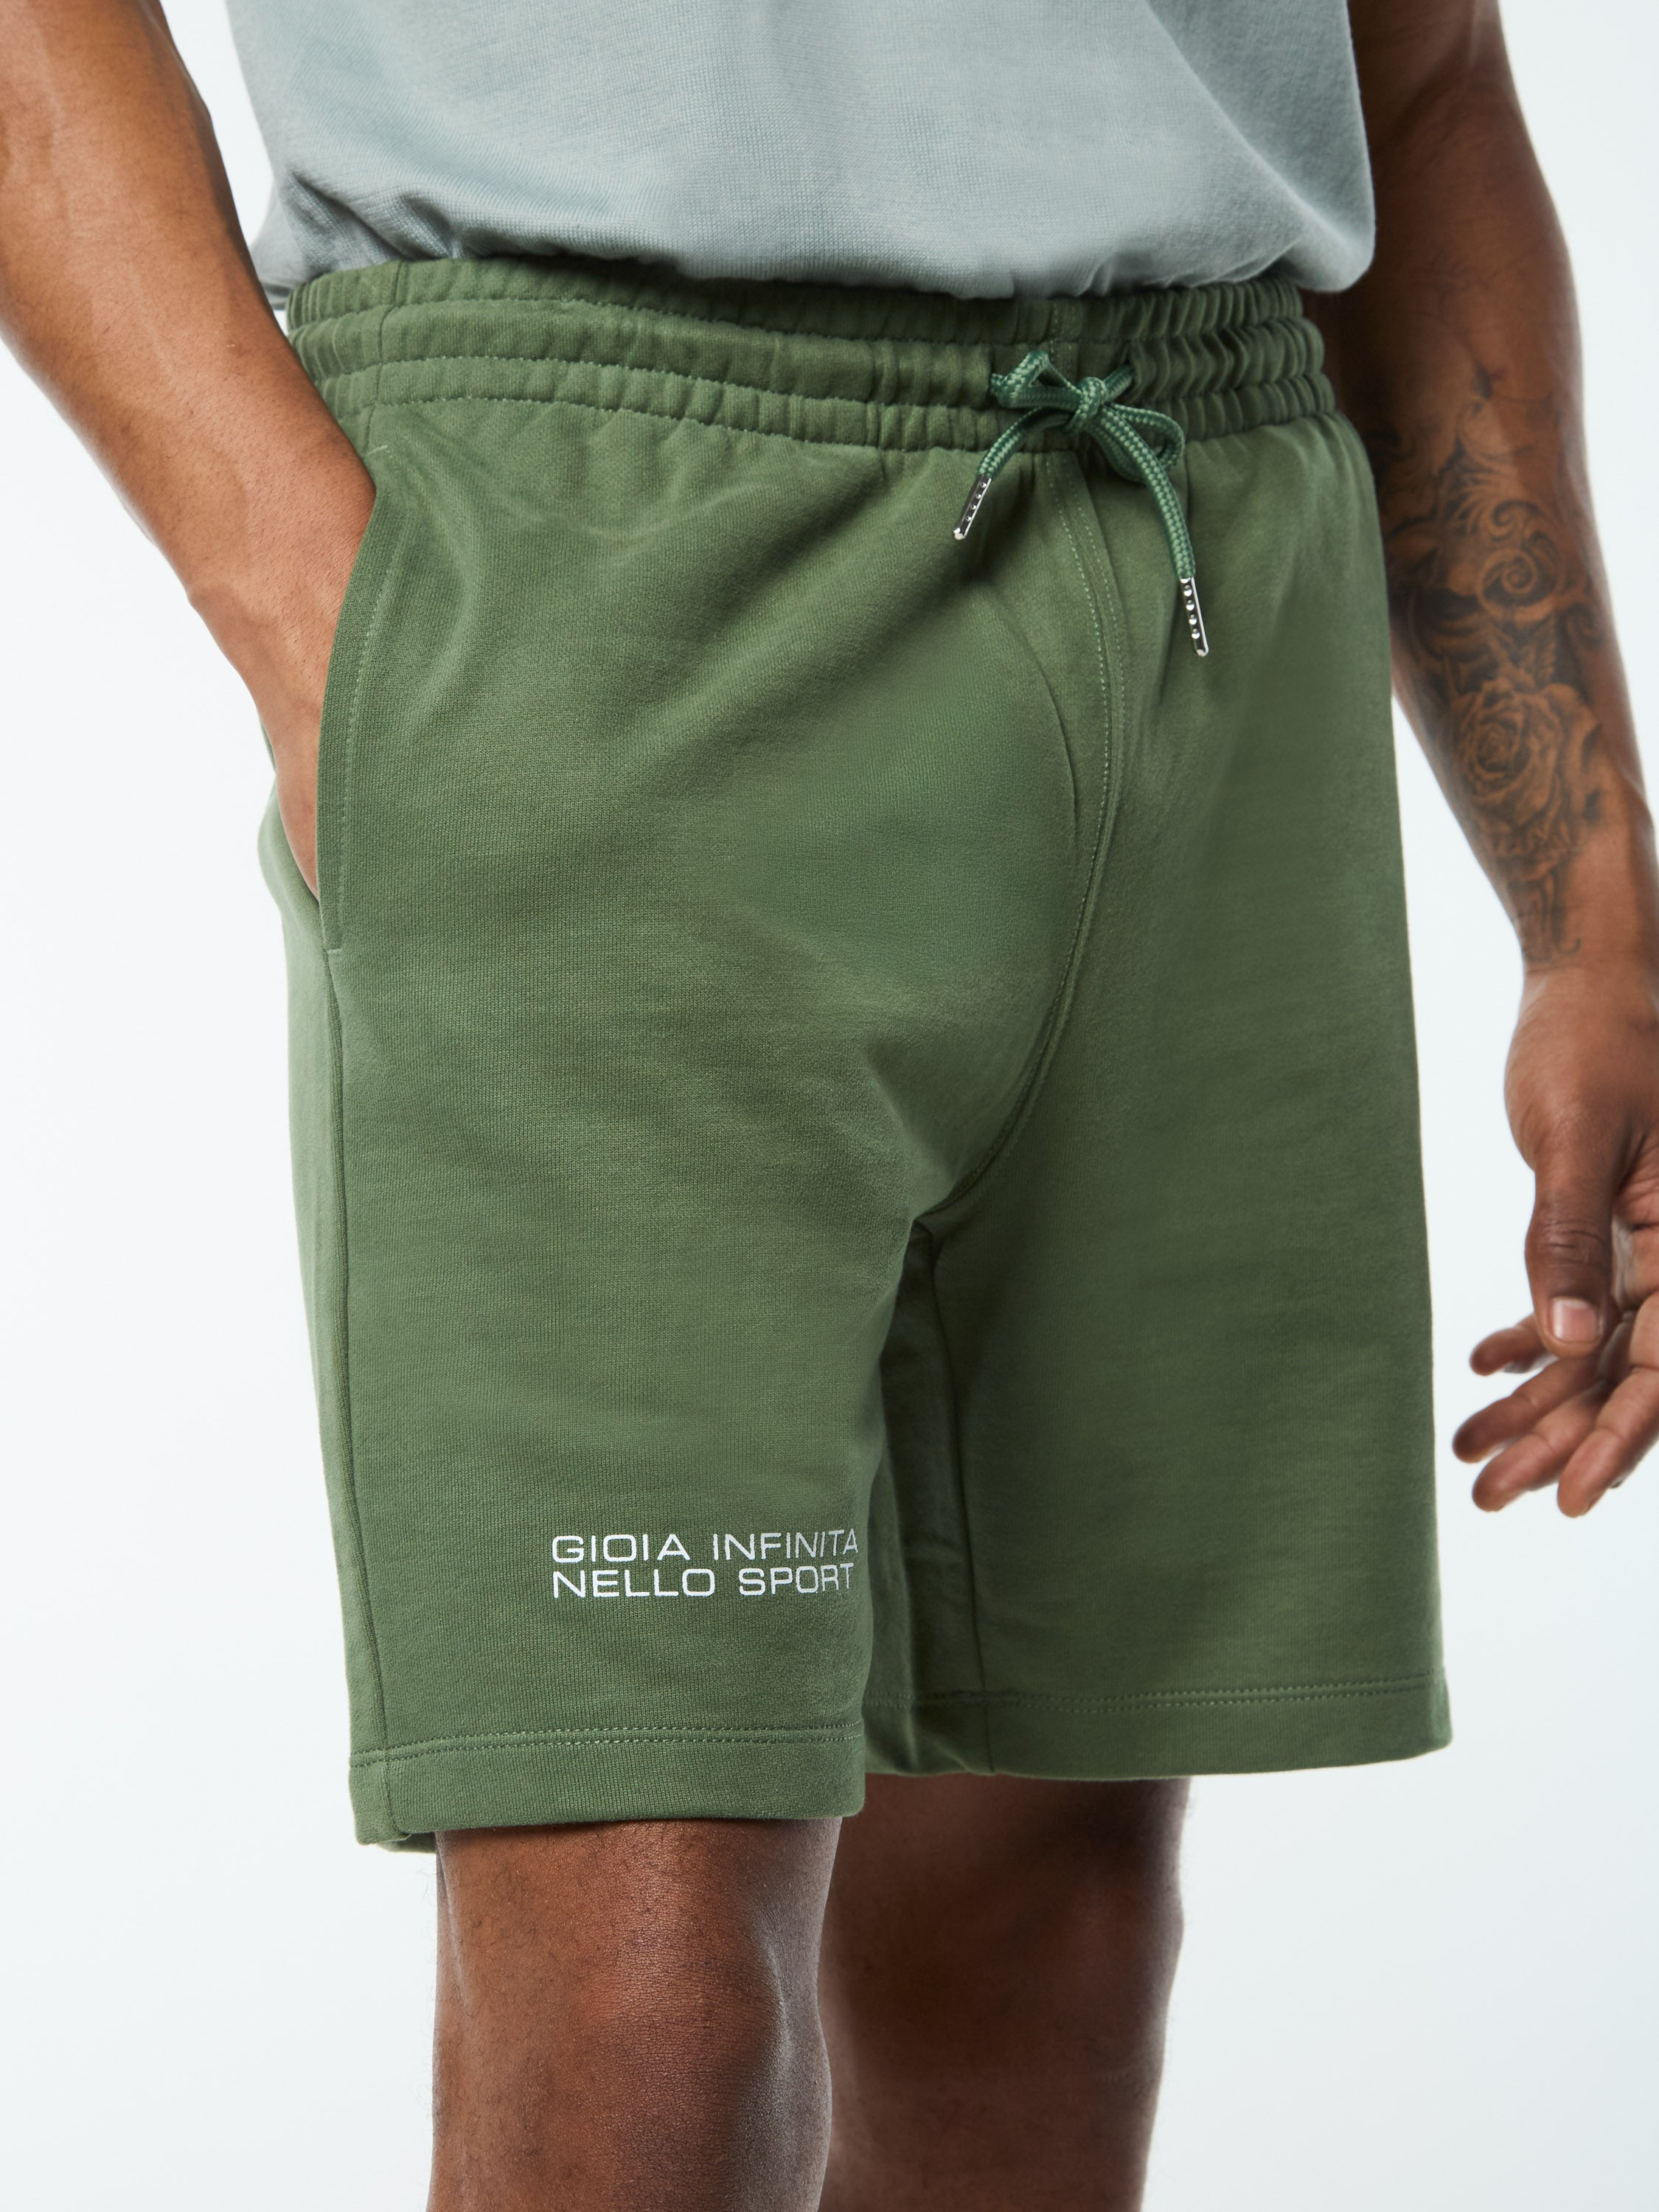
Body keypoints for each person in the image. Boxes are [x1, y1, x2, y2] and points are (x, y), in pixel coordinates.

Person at [2, 2, 1652, 2205]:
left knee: (1048, 1947)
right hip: (595, 546)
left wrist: (1592, 918)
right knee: (649, 2022)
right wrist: (332, 629)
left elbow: (1421, 72)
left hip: (1198, 537)